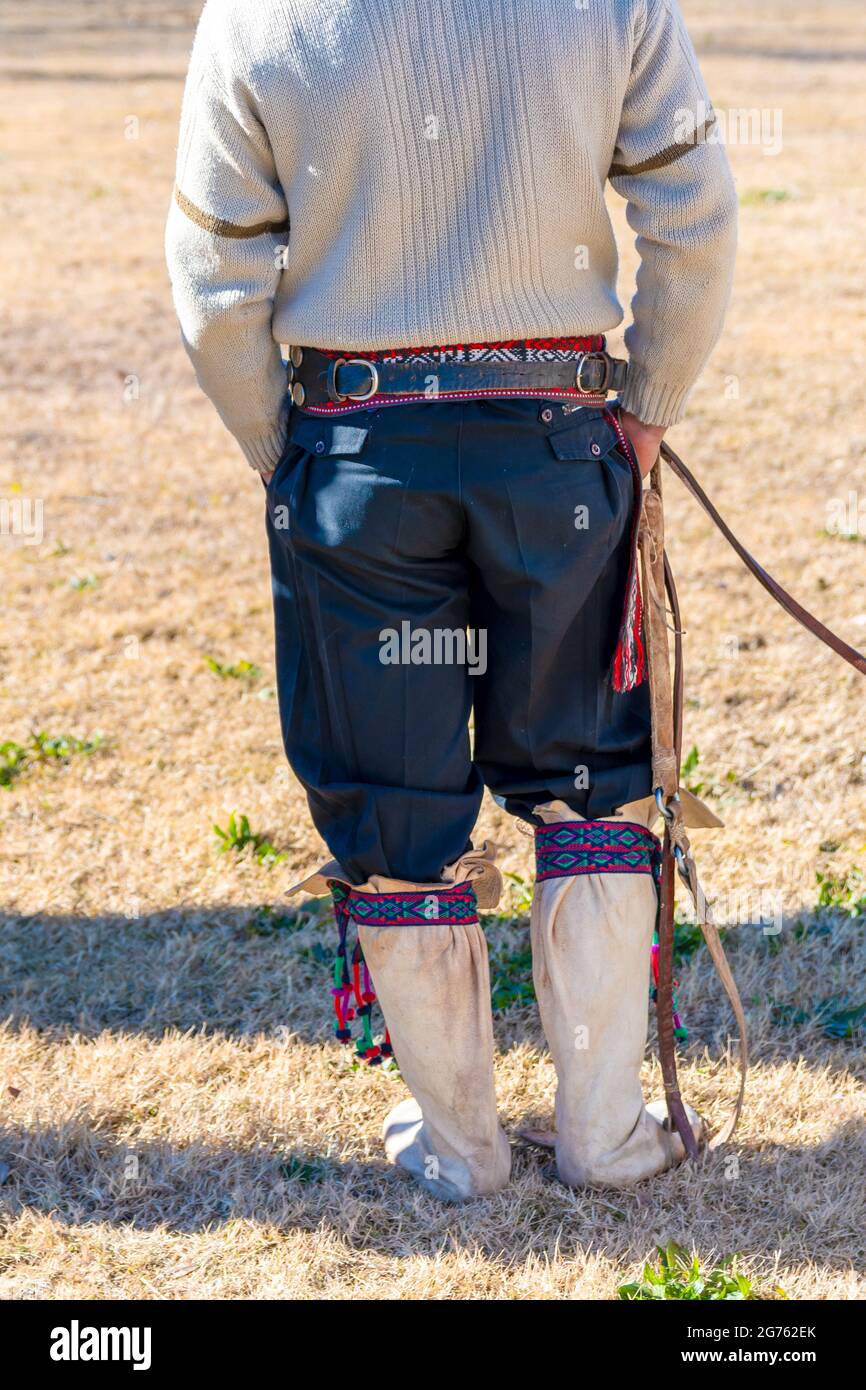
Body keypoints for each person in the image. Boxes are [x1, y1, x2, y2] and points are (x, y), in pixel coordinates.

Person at [166, 0, 737, 1200]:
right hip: (557, 448)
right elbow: (695, 211)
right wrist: (646, 400)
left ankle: (462, 1155)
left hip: (357, 460)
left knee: (393, 807)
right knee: (591, 779)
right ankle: (605, 1136)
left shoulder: (255, 13)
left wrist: (288, 451)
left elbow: (214, 268)